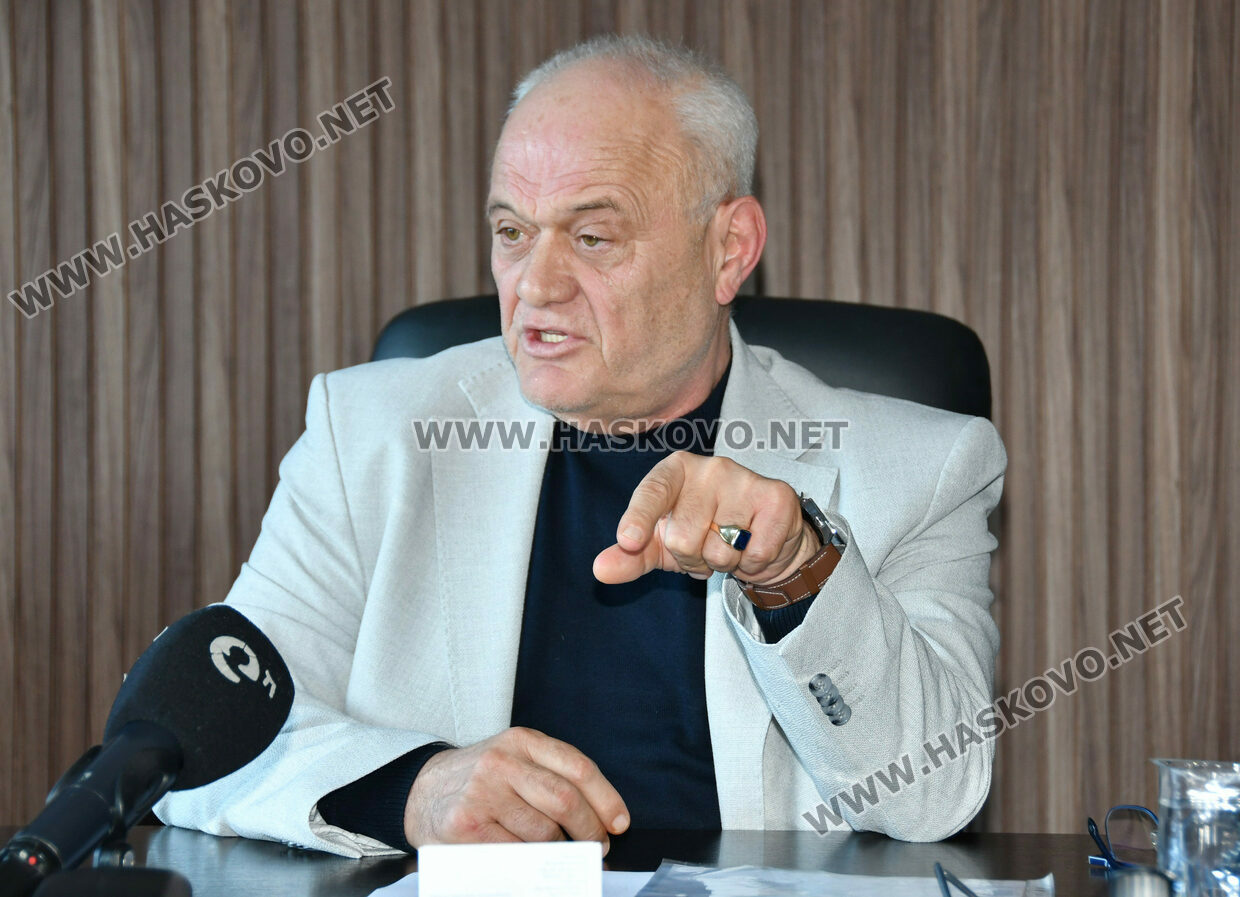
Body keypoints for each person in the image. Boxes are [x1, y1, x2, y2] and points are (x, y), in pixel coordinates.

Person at [156, 35, 1006, 857]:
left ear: (729, 250)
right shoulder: (370, 434)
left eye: (592, 238)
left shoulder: (920, 469)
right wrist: (413, 790)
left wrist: (795, 572)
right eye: (512, 232)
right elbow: (192, 747)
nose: (536, 284)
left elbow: (937, 794)